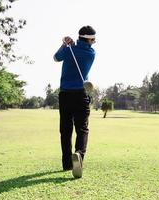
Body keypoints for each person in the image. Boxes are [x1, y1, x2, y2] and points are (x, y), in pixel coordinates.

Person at [53, 25, 96, 178]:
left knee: (65, 130)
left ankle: (67, 164)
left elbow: (56, 57)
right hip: (80, 94)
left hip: (65, 94)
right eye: (93, 39)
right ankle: (79, 155)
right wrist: (69, 45)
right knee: (82, 129)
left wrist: (65, 44)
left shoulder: (70, 49)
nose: (94, 42)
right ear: (87, 39)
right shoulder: (91, 52)